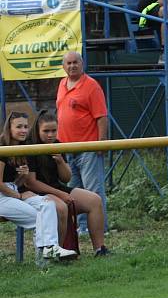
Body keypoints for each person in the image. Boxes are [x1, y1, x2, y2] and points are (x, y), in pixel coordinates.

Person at [22, 112, 109, 256]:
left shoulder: (57, 144)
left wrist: (60, 162)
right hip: (36, 192)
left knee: (94, 200)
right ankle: (59, 253)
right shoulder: (29, 147)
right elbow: (31, 183)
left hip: (56, 187)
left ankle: (100, 249)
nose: (50, 135)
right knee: (61, 207)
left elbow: (66, 177)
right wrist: (61, 194)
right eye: (46, 131)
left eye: (53, 131)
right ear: (37, 130)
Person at [0, 112, 76, 262]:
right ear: (9, 128)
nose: (23, 130)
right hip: (3, 196)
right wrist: (18, 196)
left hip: (12, 192)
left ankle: (49, 251)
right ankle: (44, 259)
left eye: (26, 127)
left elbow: (16, 184)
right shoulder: (2, 146)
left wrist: (22, 176)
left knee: (47, 205)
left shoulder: (22, 147)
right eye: (19, 127)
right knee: (41, 218)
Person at [56, 51, 109, 235]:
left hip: (88, 147)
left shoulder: (91, 86)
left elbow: (102, 117)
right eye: (68, 63)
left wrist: (101, 143)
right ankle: (83, 227)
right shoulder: (62, 84)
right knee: (74, 191)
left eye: (75, 62)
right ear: (64, 66)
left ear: (82, 64)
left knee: (93, 191)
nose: (72, 66)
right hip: (66, 148)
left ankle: (101, 228)